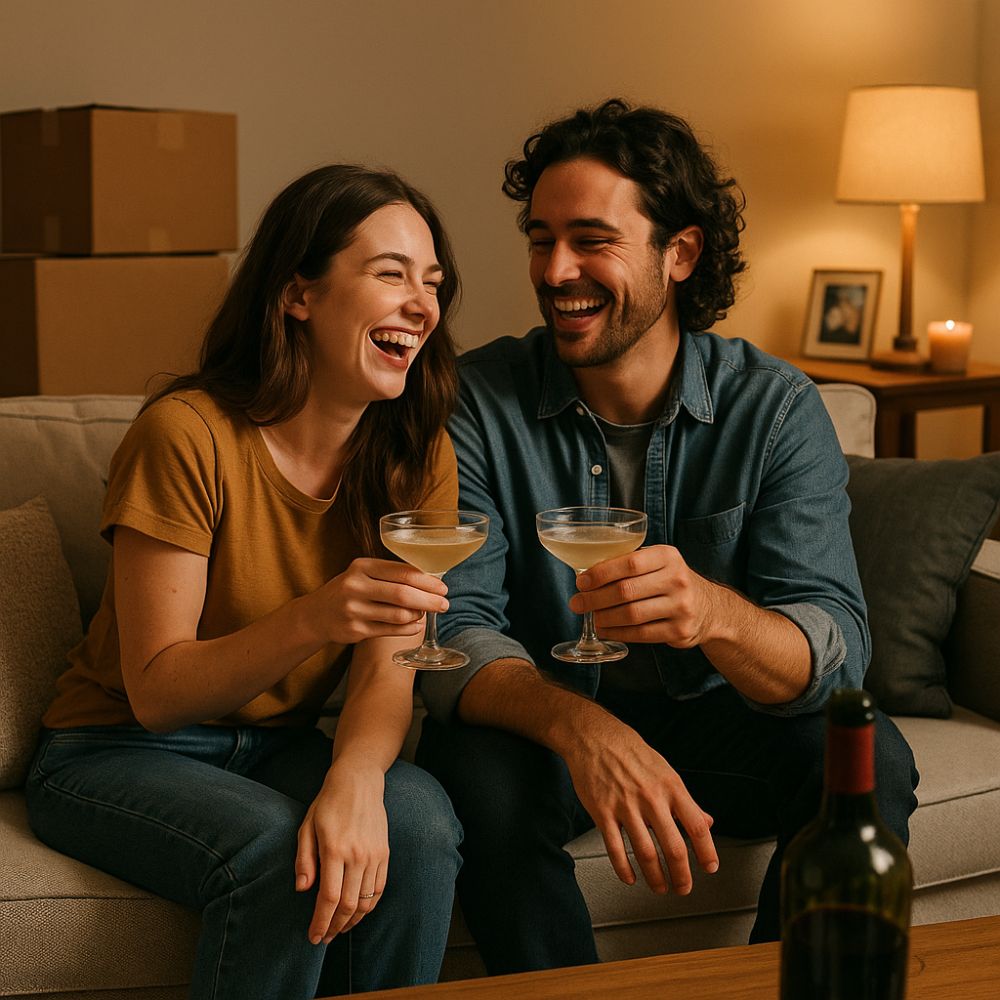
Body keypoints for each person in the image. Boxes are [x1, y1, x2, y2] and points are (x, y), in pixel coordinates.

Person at [416, 99, 919, 975]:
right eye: (541, 238)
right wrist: (584, 730)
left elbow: (835, 655)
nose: (555, 268)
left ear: (679, 253)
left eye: (590, 240)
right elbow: (457, 629)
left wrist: (714, 616)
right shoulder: (474, 402)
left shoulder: (777, 410)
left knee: (867, 759)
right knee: (474, 774)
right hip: (546, 723)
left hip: (722, 722)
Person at [26, 164, 465, 998]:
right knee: (274, 847)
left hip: (273, 749)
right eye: (391, 274)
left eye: (433, 282)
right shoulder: (186, 435)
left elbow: (388, 668)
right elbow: (156, 692)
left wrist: (356, 779)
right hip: (114, 749)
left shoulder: (417, 454)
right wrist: (315, 618)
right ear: (298, 294)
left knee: (419, 819)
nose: (422, 304)